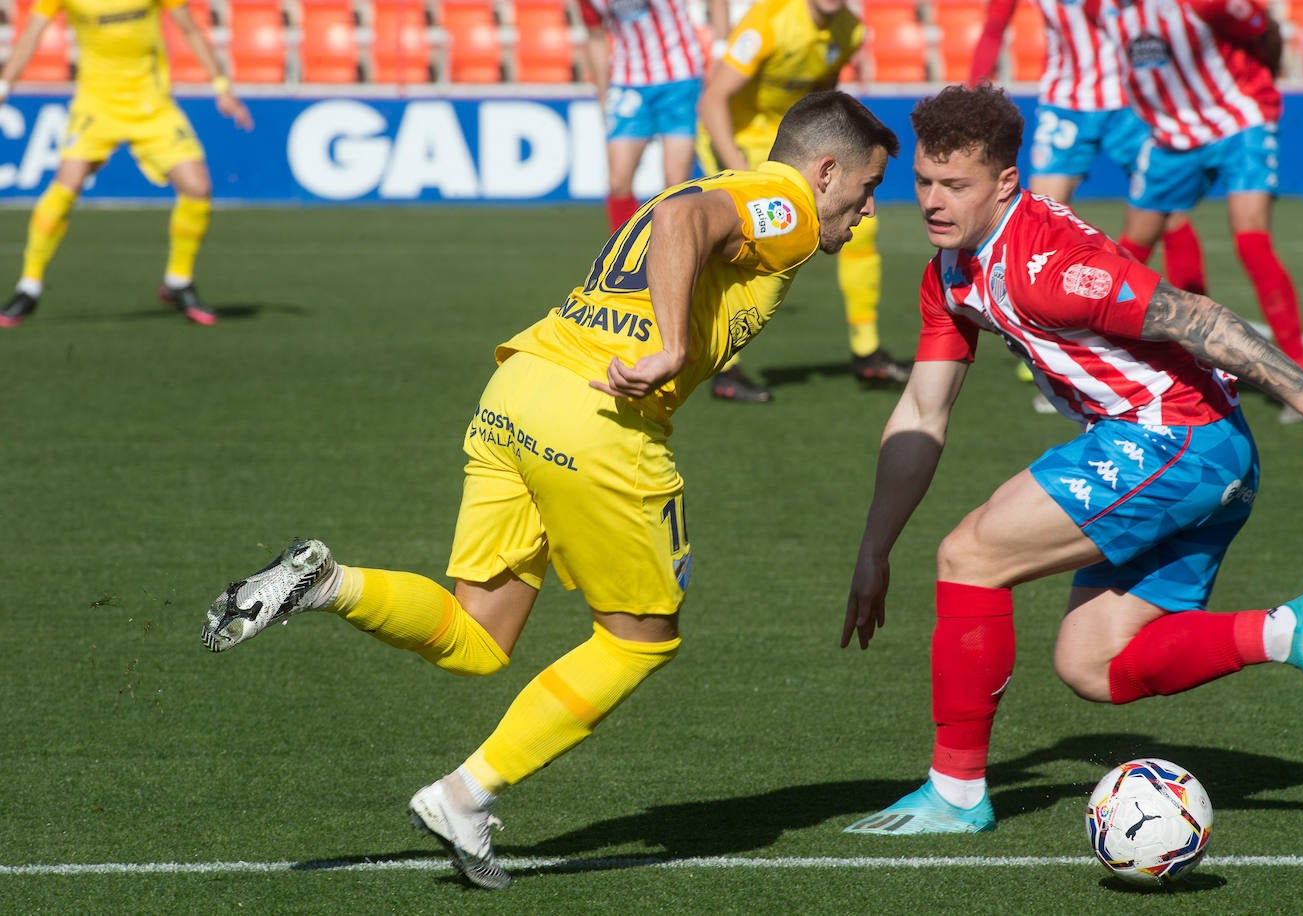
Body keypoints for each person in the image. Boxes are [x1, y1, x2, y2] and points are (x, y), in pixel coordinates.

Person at [200, 91, 898, 888]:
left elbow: (684, 218)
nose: (868, 210)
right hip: (598, 417)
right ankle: (464, 795)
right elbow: (684, 226)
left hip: (521, 388)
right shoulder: (790, 203)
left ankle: (326, 583)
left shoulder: (727, 186)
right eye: (868, 188)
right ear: (826, 168)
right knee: (640, 640)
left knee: (476, 637)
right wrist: (673, 347)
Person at [840, 84, 1303, 838]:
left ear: (1005, 184)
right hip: (1191, 451)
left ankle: (956, 792)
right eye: (923, 180)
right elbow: (923, 412)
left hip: (1176, 439)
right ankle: (1290, 630)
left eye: (954, 185)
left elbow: (1200, 316)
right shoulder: (950, 275)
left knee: (970, 555)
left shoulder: (1051, 264)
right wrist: (874, 549)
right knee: (1094, 664)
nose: (931, 199)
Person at [968, 0, 1206, 414]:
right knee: (1034, 223)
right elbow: (994, 24)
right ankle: (1051, 351)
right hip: (1067, 104)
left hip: (1131, 104)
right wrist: (975, 92)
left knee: (1170, 212)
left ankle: (1196, 338)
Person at [1087, 0, 1303, 422]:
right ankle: (1102, 366)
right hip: (1170, 137)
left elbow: (1265, 29)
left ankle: (1300, 376)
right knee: (1127, 252)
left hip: (1238, 123)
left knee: (1251, 241)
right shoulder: (1103, 10)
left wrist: (1264, 83)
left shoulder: (1204, 4)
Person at [695, 0, 909, 402]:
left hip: (796, 145)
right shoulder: (767, 22)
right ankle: (725, 368)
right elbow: (712, 101)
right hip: (739, 143)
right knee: (747, 245)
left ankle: (866, 350)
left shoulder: (851, 31)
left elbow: (823, 99)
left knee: (863, 229)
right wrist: (736, 166)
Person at [0, 0, 253, 329]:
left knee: (198, 187)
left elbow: (190, 29)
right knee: (68, 183)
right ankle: (28, 287)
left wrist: (222, 88)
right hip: (96, 103)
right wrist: (4, 87)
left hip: (151, 103)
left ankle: (178, 280)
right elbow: (31, 36)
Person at [576, 0, 730, 233]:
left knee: (675, 184)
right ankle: (626, 254)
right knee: (618, 182)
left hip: (680, 79)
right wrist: (603, 95)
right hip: (627, 83)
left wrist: (720, 50)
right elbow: (596, 38)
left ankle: (675, 253)